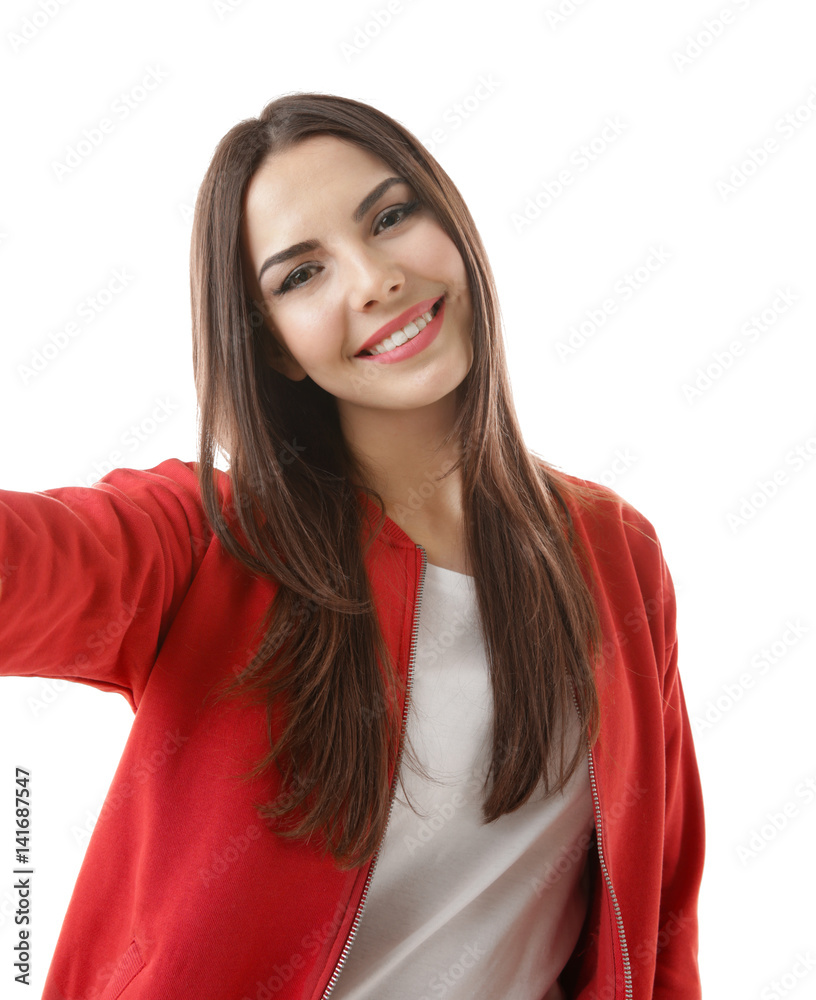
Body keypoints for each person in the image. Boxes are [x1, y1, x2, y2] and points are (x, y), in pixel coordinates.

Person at [0, 92, 705, 999]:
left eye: (390, 216)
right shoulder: (211, 540)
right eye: (302, 275)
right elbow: (32, 563)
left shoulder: (617, 555)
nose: (374, 279)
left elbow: (662, 917)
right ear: (279, 350)